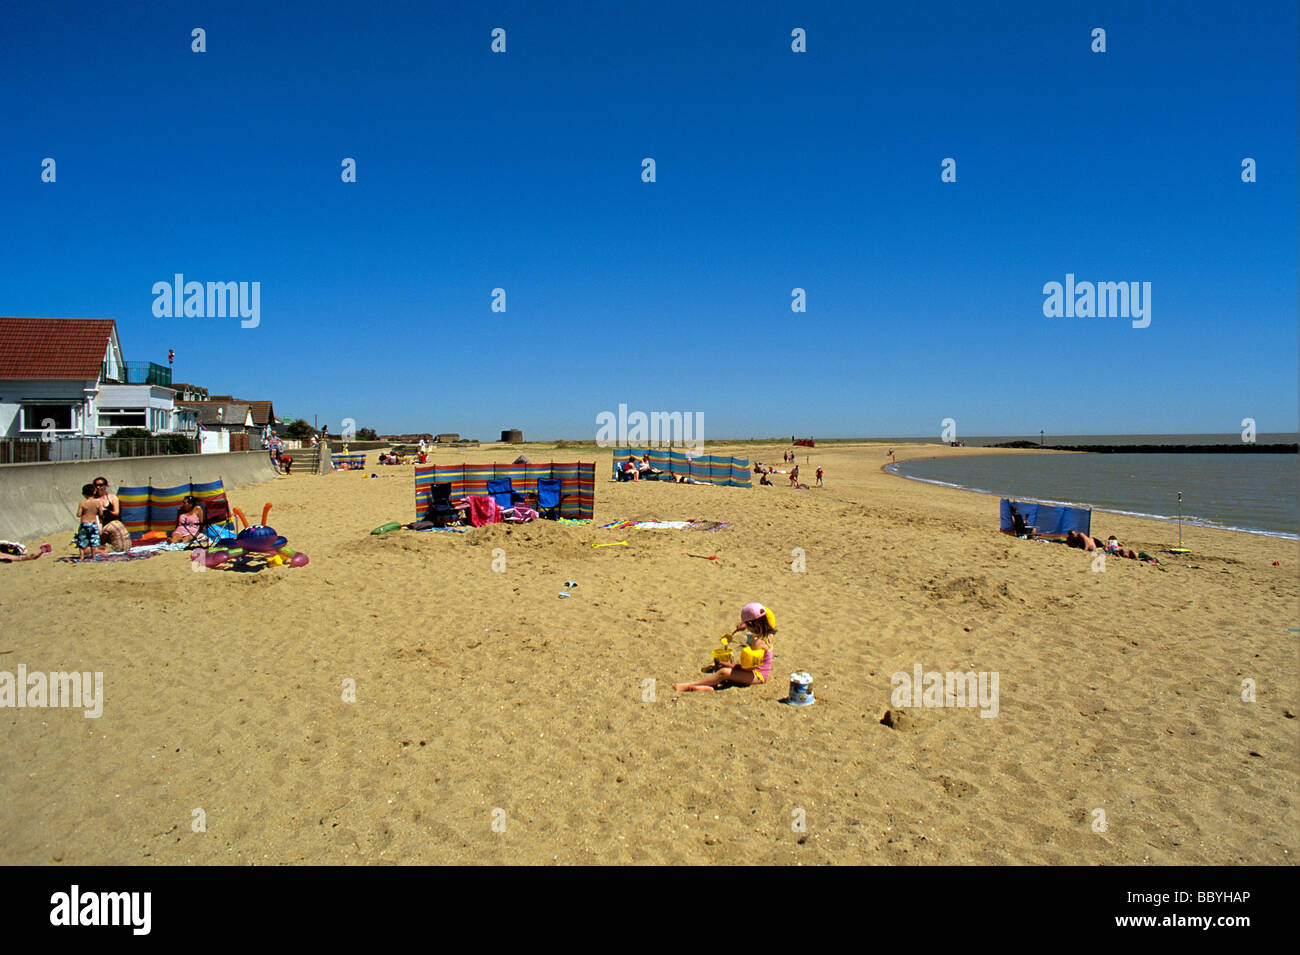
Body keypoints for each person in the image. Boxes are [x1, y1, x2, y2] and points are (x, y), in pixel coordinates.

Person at [674, 602, 775, 693]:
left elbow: (749, 669)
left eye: (746, 625)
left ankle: (688, 686)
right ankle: (709, 687)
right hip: (757, 671)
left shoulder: (757, 642)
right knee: (727, 671)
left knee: (724, 672)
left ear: (751, 623)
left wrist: (732, 666)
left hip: (758, 676)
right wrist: (743, 626)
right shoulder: (769, 633)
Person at [92, 478, 131, 553]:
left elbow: (116, 513)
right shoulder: (94, 500)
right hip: (100, 525)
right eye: (96, 485)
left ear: (106, 486)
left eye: (100, 485)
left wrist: (105, 510)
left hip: (111, 524)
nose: (98, 487)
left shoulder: (112, 498)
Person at [74, 484, 101, 558]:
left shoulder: (82, 503)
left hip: (84, 523)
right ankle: (93, 555)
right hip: (93, 523)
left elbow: (78, 514)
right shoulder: (98, 502)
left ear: (83, 494)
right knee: (94, 540)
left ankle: (82, 556)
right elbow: (100, 513)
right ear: (94, 492)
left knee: (82, 540)